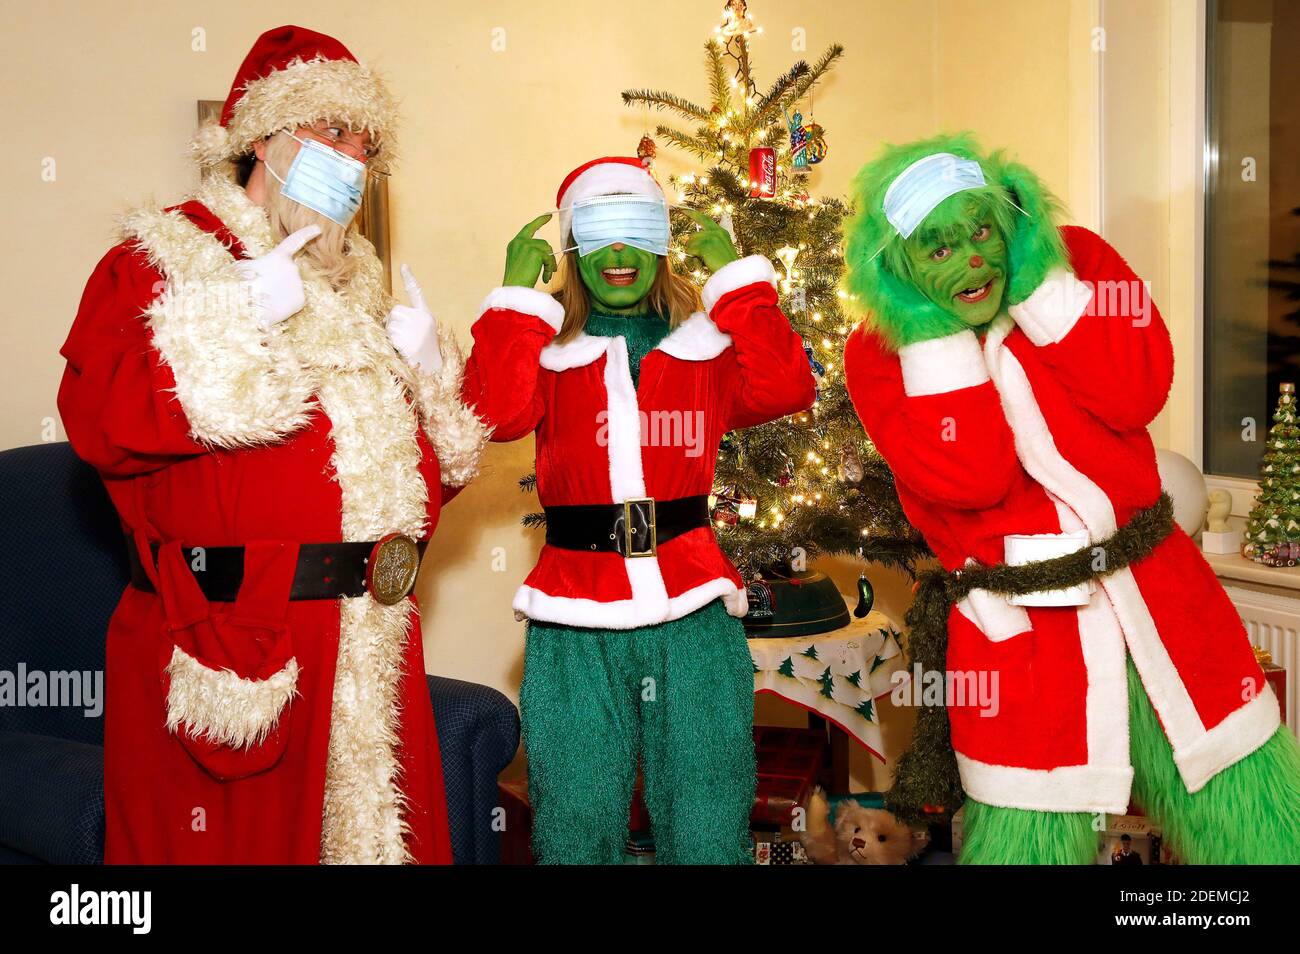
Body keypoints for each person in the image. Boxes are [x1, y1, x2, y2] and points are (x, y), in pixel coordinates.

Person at [57, 24, 488, 864]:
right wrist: (229, 318)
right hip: (235, 639)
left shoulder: (363, 286)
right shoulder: (163, 258)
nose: (350, 158)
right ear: (261, 136)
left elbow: (409, 494)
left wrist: (433, 383)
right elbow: (98, 422)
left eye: (365, 144)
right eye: (330, 132)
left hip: (369, 641)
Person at [842, 133, 1300, 864]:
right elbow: (971, 478)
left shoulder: (1076, 262)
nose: (973, 260)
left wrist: (1037, 282)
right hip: (1023, 632)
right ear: (896, 269)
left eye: (982, 231)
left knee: (1254, 805)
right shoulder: (881, 350)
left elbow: (1137, 390)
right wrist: (931, 333)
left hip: (1159, 595)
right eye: (937, 249)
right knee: (1030, 833)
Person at [462, 156, 816, 863]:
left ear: (659, 242)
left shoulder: (705, 347)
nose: (618, 254)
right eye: (599, 233)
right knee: (575, 813)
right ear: (572, 248)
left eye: (635, 231)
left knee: (708, 810)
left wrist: (737, 282)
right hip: (573, 612)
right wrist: (512, 301)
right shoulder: (546, 351)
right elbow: (491, 414)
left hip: (692, 601)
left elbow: (787, 387)